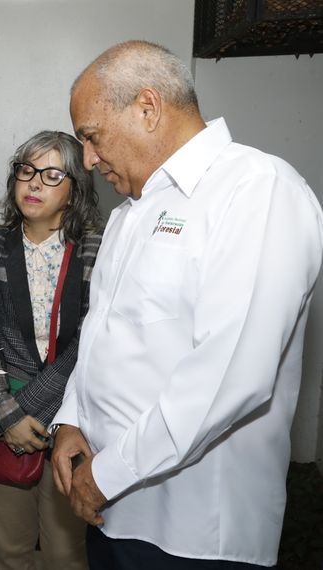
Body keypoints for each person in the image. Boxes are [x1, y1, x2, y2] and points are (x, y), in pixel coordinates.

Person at [50, 40, 323, 569]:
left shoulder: (258, 190)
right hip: (107, 508)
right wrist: (71, 419)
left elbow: (230, 374)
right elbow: (103, 332)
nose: (87, 158)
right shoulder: (131, 212)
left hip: (192, 532)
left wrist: (106, 476)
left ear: (147, 108)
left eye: (91, 136)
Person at [0, 130, 102, 570]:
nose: (34, 183)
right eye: (26, 170)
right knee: (10, 552)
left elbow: (91, 340)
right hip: (3, 413)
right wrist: (6, 418)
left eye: (51, 174)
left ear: (74, 188)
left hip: (74, 416)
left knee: (66, 553)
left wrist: (32, 411)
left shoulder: (98, 248)